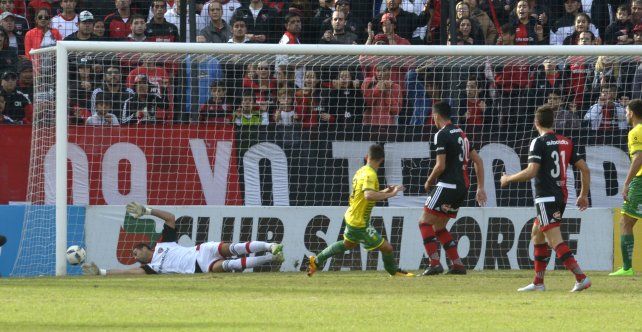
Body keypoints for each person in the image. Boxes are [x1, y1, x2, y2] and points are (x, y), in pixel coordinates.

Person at [500, 105, 591, 292]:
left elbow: (531, 172)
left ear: (536, 122)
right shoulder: (566, 141)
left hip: (545, 197)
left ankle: (581, 278)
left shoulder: (538, 142)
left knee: (553, 240)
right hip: (560, 196)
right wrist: (583, 195)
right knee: (537, 234)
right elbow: (585, 169)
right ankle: (538, 282)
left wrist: (508, 178)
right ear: (553, 122)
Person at [82, 202, 284, 275]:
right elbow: (127, 272)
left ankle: (271, 245)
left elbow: (170, 218)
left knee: (234, 248)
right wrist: (102, 271)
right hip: (200, 268)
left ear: (146, 247)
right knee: (232, 265)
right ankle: (273, 258)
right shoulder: (150, 269)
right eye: (135, 256)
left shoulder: (163, 244)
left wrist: (148, 210)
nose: (136, 257)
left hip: (201, 250)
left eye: (137, 252)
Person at [307, 144, 414, 277]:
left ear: (366, 157)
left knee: (348, 244)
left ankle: (316, 261)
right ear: (381, 160)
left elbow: (363, 195)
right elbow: (368, 195)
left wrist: (385, 191)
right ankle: (393, 271)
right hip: (359, 222)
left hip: (352, 216)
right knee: (387, 248)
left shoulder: (361, 171)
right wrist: (391, 195)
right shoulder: (370, 175)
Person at [418, 101, 486, 276]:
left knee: (424, 222)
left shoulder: (441, 134)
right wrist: (480, 188)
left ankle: (434, 263)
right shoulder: (462, 134)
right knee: (438, 228)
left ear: (436, 116)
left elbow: (440, 166)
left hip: (446, 184)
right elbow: (478, 161)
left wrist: (429, 181)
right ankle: (457, 264)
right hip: (462, 188)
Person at [611, 99, 642, 276]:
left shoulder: (636, 132)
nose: (625, 114)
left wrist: (627, 182)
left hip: (640, 181)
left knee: (625, 221)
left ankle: (627, 268)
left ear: (631, 113)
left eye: (626, 111)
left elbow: (638, 158)